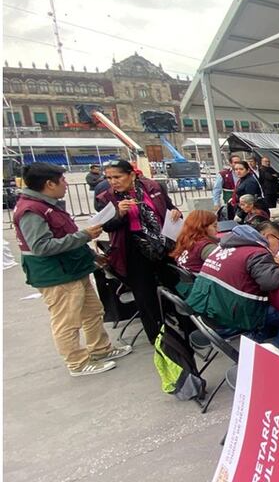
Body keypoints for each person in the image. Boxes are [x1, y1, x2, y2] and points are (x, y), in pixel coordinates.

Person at [13, 162, 132, 376]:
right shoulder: (32, 210)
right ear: (49, 184)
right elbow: (41, 246)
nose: (66, 184)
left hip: (74, 268)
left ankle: (100, 349)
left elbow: (63, 235)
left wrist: (92, 255)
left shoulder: (49, 204)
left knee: (92, 311)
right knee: (67, 321)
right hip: (57, 275)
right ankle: (77, 362)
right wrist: (84, 236)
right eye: (62, 180)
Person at [98, 159, 183, 342]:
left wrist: (176, 211)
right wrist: (119, 214)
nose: (113, 181)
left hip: (162, 244)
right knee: (145, 295)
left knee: (176, 286)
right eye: (109, 178)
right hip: (133, 250)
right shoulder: (106, 198)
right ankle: (158, 338)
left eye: (117, 177)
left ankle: (188, 328)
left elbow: (168, 207)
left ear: (131, 174)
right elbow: (107, 226)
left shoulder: (152, 187)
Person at [186, 221, 279, 350]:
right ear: (268, 236)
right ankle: (278, 353)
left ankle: (256, 341)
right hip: (229, 317)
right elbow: (271, 281)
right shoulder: (256, 252)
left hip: (208, 311)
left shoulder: (224, 246)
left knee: (270, 311)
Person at [170, 209, 219, 276]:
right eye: (215, 226)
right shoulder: (205, 247)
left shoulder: (185, 240)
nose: (218, 229)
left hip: (189, 283)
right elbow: (226, 266)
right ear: (202, 227)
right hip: (203, 283)